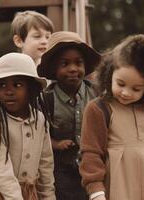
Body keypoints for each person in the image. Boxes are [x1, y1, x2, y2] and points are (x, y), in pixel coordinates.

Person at [80, 34, 144, 200]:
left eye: (136, 88)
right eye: (121, 84)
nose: (126, 93)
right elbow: (91, 154)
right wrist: (96, 191)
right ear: (110, 73)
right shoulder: (98, 109)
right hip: (117, 190)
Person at [0, 52, 55, 199]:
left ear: (31, 88)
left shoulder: (40, 120)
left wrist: (48, 196)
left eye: (17, 85)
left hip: (30, 193)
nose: (9, 91)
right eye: (2, 85)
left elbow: (46, 163)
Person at [37, 31, 101, 200]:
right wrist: (56, 144)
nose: (73, 69)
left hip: (93, 167)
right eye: (65, 64)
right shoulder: (46, 99)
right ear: (53, 69)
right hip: (61, 170)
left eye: (78, 63)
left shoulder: (96, 94)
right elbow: (39, 136)